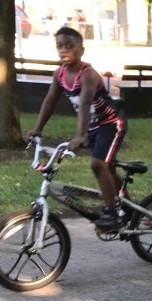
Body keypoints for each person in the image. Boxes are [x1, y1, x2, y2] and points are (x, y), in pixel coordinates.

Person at [28, 26, 127, 229]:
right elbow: (50, 101)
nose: (64, 50)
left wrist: (80, 136)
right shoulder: (59, 74)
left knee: (98, 164)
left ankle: (112, 214)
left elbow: (85, 103)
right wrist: (37, 128)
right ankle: (127, 206)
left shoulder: (88, 74)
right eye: (59, 46)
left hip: (111, 123)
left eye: (69, 46)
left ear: (82, 50)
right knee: (106, 167)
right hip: (92, 126)